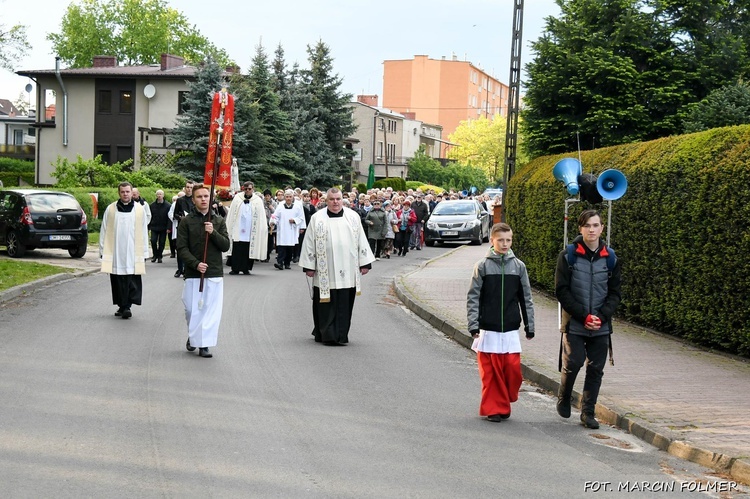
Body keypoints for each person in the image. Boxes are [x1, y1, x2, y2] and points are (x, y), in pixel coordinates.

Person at [555, 209, 622, 429]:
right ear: (580, 228)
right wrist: (583, 316)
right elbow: (562, 291)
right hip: (575, 321)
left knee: (595, 369)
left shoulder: (611, 258)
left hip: (600, 324)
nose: (591, 230)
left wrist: (601, 317)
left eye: (595, 225)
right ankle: (564, 397)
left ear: (602, 228)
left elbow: (615, 294)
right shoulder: (568, 255)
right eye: (587, 226)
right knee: (573, 362)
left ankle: (588, 412)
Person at [467, 223, 535, 422]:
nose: (505, 244)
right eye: (501, 240)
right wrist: (473, 324)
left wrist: (530, 325)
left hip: (511, 329)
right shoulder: (482, 266)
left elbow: (526, 298)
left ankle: (505, 399)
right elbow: (473, 297)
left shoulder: (519, 266)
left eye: (508, 240)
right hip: (488, 329)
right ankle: (494, 408)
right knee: (491, 373)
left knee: (512, 371)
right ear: (492, 241)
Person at [299, 188, 376, 345]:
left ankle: (341, 335)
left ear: (343, 200)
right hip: (324, 270)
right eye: (332, 199)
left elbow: (361, 239)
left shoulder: (353, 217)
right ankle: (325, 333)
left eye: (338, 199)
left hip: (347, 271)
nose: (335, 202)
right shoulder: (317, 218)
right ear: (326, 201)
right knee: (325, 303)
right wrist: (309, 266)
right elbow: (308, 243)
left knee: (344, 303)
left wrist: (365, 262)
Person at [177, 183, 231, 358]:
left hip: (213, 273)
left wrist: (213, 232)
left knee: (209, 311)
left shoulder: (218, 221)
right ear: (193, 200)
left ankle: (204, 344)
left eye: (206, 196)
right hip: (193, 274)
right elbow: (182, 248)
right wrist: (195, 264)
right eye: (199, 197)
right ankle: (193, 335)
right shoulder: (186, 222)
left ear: (211, 198)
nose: (203, 199)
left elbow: (225, 245)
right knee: (192, 309)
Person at [99, 182, 150, 319]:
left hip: (133, 251)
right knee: (117, 280)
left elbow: (144, 231)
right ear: (119, 193)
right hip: (116, 251)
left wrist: (145, 252)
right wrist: (103, 249)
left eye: (128, 191)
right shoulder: (111, 209)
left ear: (132, 192)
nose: (125, 194)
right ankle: (121, 306)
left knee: (131, 279)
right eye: (123, 192)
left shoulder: (139, 210)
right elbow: (104, 230)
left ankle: (127, 306)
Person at [225, 181, 268, 275]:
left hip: (250, 229)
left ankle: (246, 268)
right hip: (238, 228)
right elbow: (232, 213)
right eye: (246, 189)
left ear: (253, 189)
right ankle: (235, 268)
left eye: (250, 189)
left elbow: (261, 216)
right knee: (237, 247)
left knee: (248, 249)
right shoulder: (237, 198)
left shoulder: (257, 200)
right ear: (243, 189)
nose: (248, 191)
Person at [270, 189, 305, 270]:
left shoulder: (297, 207)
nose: (288, 198)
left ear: (293, 197)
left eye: (290, 197)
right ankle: (280, 263)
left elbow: (301, 218)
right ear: (284, 197)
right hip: (282, 229)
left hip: (291, 229)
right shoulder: (280, 206)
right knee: (282, 247)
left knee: (289, 248)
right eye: (287, 197)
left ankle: (287, 263)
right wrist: (273, 222)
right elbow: (276, 216)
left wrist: (295, 220)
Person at [172, 181, 195, 277]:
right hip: (182, 227)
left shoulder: (195, 200)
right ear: (184, 188)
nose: (189, 189)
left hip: (193, 227)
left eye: (191, 187)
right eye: (187, 187)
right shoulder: (180, 200)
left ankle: (188, 269)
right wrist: (180, 217)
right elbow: (175, 214)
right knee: (181, 248)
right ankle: (180, 269)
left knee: (191, 249)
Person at [148, 189, 170, 263]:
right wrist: (149, 226)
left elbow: (169, 217)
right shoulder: (152, 205)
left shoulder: (168, 205)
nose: (159, 196)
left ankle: (160, 256)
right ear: (156, 195)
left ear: (163, 195)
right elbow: (150, 216)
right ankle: (155, 255)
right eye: (158, 194)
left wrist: (168, 227)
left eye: (161, 194)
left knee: (162, 242)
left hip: (163, 227)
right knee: (153, 241)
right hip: (154, 226)